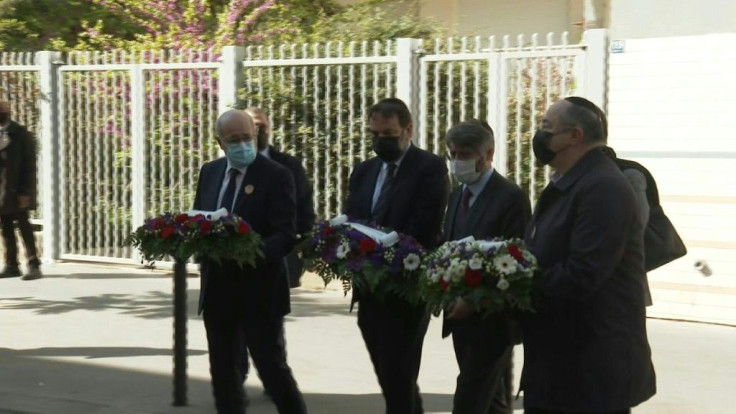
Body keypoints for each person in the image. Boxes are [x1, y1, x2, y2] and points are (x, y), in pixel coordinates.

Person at [521, 96, 656, 414]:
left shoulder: (602, 188)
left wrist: (513, 288)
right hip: (562, 364)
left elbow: (582, 273)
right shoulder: (571, 182)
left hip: (589, 372)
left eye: (546, 127)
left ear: (574, 135)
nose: (540, 135)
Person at [193, 109, 307, 414]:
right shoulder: (210, 172)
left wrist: (249, 253)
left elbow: (285, 234)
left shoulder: (276, 175)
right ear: (220, 142)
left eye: (248, 137)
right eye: (234, 140)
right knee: (223, 372)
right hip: (218, 289)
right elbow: (200, 219)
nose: (243, 144)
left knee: (272, 371)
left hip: (260, 291)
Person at [345, 97, 450, 413]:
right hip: (369, 285)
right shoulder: (364, 171)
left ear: (408, 130)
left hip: (406, 284)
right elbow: (353, 218)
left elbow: (425, 225)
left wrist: (383, 251)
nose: (380, 141)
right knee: (386, 367)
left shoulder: (429, 168)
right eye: (375, 134)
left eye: (388, 134)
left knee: (399, 366)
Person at [442, 119, 530, 414]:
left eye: (464, 155)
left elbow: (513, 261)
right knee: (492, 401)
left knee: (470, 397)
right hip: (460, 316)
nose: (457, 162)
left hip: (493, 319)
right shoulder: (457, 196)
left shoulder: (510, 197)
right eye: (452, 154)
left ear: (488, 154)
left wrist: (474, 299)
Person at [244, 107, 316, 288]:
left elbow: (304, 205)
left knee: (275, 310)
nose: (257, 131)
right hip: (239, 253)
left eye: (261, 125)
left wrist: (307, 248)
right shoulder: (230, 164)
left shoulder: (289, 165)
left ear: (269, 129)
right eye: (252, 125)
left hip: (281, 252)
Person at [0, 101, 41, 281]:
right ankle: (11, 265)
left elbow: (29, 166)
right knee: (6, 226)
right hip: (1, 191)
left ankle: (33, 264)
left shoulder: (20, 134)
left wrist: (25, 192)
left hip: (17, 189)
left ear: (7, 111)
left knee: (24, 225)